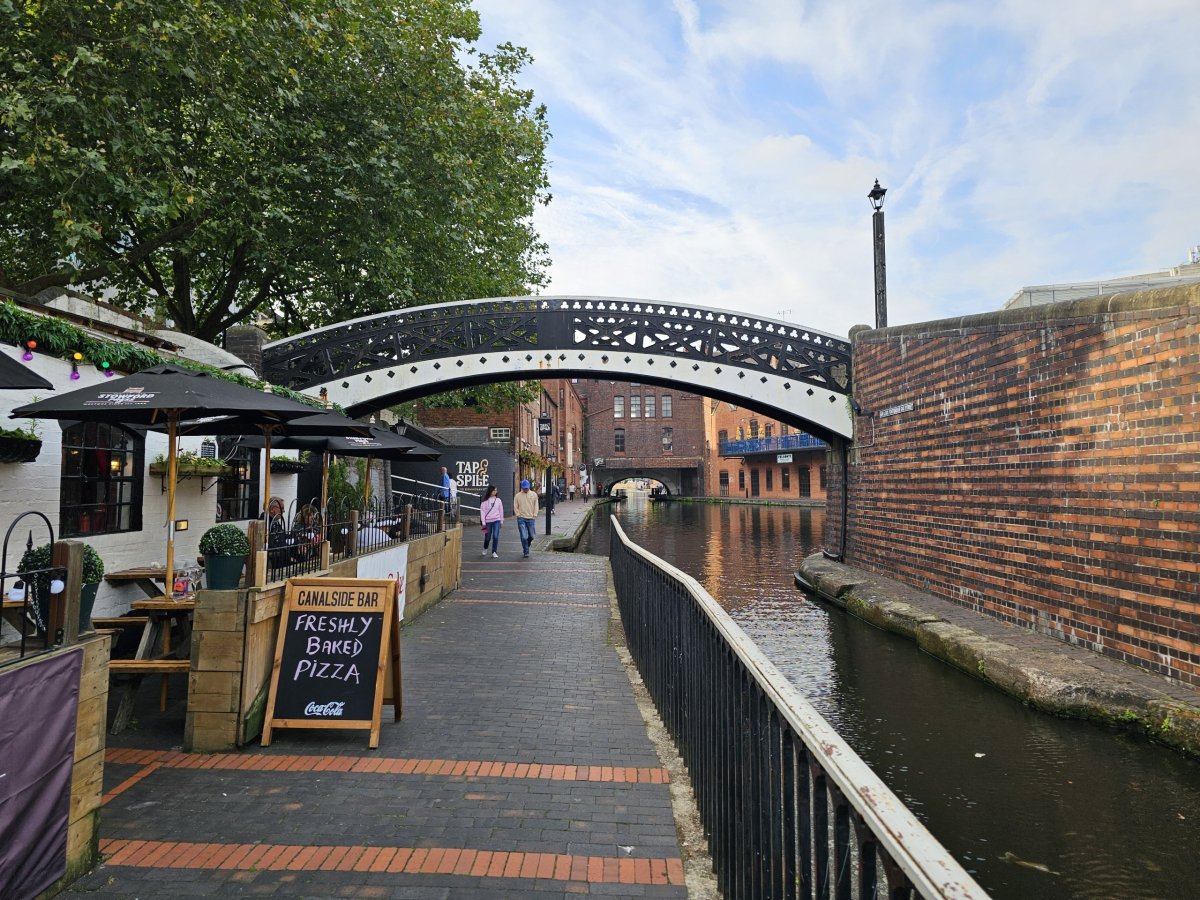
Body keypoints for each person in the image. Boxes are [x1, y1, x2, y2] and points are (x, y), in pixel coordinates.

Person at [513, 479, 539, 558]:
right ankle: (526, 551)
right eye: (524, 488)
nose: (525, 489)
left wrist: (535, 514)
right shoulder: (518, 496)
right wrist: (518, 515)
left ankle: (527, 544)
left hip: (531, 518)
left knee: (532, 536)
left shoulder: (534, 494)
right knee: (523, 536)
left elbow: (536, 505)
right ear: (522, 487)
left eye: (527, 488)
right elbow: (515, 506)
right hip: (521, 519)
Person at [479, 484, 504, 558]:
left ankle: (494, 552)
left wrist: (501, 521)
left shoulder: (498, 500)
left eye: (496, 490)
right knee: (487, 537)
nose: (496, 491)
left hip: (497, 520)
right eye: (494, 490)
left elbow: (501, 511)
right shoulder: (485, 502)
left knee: (495, 536)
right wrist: (483, 522)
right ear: (490, 491)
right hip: (487, 522)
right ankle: (485, 548)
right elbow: (482, 512)